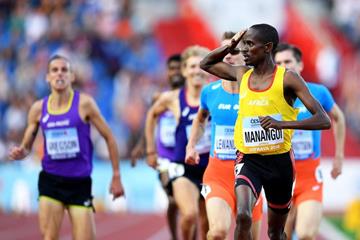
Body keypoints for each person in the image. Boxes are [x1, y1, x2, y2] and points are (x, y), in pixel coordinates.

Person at [200, 23, 331, 240]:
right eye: (243, 45)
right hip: (249, 159)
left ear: (268, 47)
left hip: (280, 162)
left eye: (250, 45)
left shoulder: (288, 78)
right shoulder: (242, 74)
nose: (243, 50)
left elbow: (323, 119)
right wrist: (230, 45)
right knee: (243, 215)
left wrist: (283, 125)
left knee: (275, 232)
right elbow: (207, 63)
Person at [9, 55, 125, 240]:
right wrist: (20, 152)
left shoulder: (85, 104)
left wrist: (116, 176)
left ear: (72, 76)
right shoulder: (38, 109)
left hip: (79, 183)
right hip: (51, 181)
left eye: (64, 70)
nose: (59, 74)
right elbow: (26, 147)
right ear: (47, 77)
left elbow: (110, 137)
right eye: (54, 70)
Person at [185, 31, 263, 240]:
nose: (227, 56)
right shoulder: (209, 92)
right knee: (218, 232)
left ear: (244, 56)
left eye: (233, 51)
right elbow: (200, 119)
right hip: (218, 173)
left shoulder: (259, 90)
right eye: (224, 51)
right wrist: (191, 145)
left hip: (251, 174)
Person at [274, 43, 345, 240]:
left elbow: (338, 118)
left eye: (287, 61)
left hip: (309, 176)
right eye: (278, 62)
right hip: (281, 177)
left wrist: (339, 156)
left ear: (300, 65)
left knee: (306, 234)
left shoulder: (318, 93)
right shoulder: (270, 96)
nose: (283, 66)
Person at [145, 45, 211, 240]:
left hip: (210, 166)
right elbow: (151, 115)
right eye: (191, 67)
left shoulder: (215, 94)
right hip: (183, 165)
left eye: (200, 66)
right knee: (189, 215)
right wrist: (150, 150)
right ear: (184, 71)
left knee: (207, 223)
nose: (196, 71)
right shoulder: (173, 98)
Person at [130, 53, 184, 240]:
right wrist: (142, 146)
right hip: (165, 157)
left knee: (188, 203)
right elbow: (151, 121)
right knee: (173, 199)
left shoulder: (193, 96)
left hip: (186, 157)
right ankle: (174, 236)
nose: (175, 72)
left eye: (179, 68)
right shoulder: (159, 97)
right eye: (171, 69)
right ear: (167, 73)